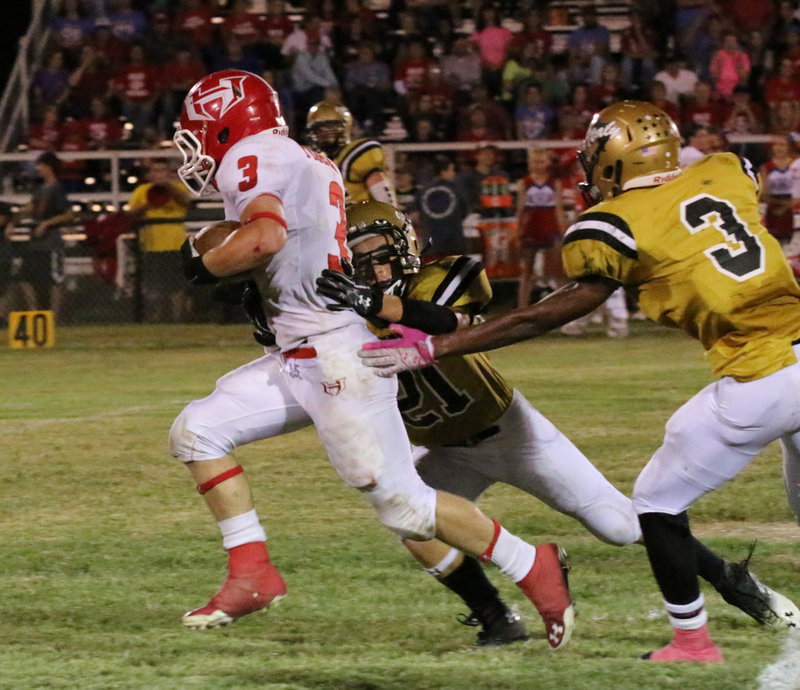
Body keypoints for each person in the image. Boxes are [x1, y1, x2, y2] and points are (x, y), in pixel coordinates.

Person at [358, 100, 800, 663]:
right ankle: (498, 617)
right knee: (407, 510)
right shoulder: (725, 168)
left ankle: (705, 625)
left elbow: (536, 315)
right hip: (794, 356)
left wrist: (431, 347)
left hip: (750, 376)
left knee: (645, 510)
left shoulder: (608, 226)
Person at [170, 69, 575, 649]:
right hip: (303, 352)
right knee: (196, 432)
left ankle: (533, 564)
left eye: (201, 127)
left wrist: (202, 262)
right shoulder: (302, 156)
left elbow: (263, 238)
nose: (195, 140)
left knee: (404, 505)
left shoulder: (251, 155)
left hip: (332, 354)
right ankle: (252, 573)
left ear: (227, 120)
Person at [12, 152, 75, 320]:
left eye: (39, 165)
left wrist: (47, 223)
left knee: (55, 281)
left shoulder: (57, 188)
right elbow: (32, 208)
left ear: (48, 167)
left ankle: (53, 318)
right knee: (25, 278)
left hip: (51, 243)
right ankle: (37, 316)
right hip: (36, 244)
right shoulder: (41, 189)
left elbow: (69, 214)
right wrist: (14, 218)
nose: (37, 169)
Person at [127, 159, 191, 322]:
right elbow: (130, 214)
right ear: (149, 175)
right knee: (154, 287)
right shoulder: (142, 190)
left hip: (175, 245)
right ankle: (155, 318)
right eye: (155, 171)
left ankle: (178, 320)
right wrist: (148, 204)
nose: (158, 174)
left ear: (169, 173)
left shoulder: (178, 188)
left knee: (178, 287)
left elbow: (185, 202)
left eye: (162, 171)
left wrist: (167, 185)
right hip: (151, 245)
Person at [306, 101, 396, 205]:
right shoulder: (318, 160)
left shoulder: (357, 153)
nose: (323, 133)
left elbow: (384, 199)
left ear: (344, 127)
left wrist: (389, 218)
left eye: (329, 127)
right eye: (318, 129)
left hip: (366, 218)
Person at [516, 147, 566, 308]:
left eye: (541, 161)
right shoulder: (524, 182)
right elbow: (520, 208)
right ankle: (522, 306)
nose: (537, 165)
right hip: (531, 227)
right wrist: (518, 231)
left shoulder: (554, 183)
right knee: (527, 271)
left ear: (548, 163)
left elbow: (559, 209)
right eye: (534, 162)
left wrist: (563, 231)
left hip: (549, 227)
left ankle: (561, 306)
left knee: (556, 270)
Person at [414, 156, 469, 260]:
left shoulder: (422, 191)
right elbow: (464, 210)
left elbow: (416, 215)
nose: (454, 173)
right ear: (443, 172)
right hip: (454, 240)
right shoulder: (456, 189)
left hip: (431, 243)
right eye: (452, 170)